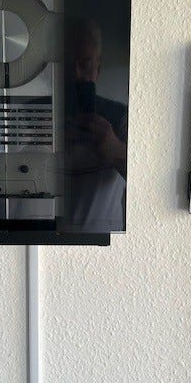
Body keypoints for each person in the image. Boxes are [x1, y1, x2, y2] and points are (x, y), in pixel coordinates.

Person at [63, 18, 128, 233]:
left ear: (98, 68)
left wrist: (114, 149)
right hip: (44, 238)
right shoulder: (35, 114)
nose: (76, 74)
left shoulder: (121, 116)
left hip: (106, 241)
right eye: (67, 64)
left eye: (85, 64)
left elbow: (149, 183)